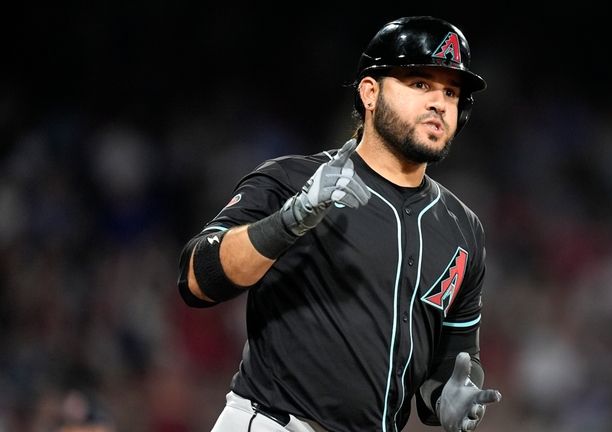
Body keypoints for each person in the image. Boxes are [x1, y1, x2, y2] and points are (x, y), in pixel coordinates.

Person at [177, 15, 502, 432]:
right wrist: (287, 222)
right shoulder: (292, 180)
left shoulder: (463, 229)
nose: (439, 102)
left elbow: (455, 360)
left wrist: (450, 394)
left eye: (451, 92)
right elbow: (195, 280)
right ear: (370, 92)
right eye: (420, 84)